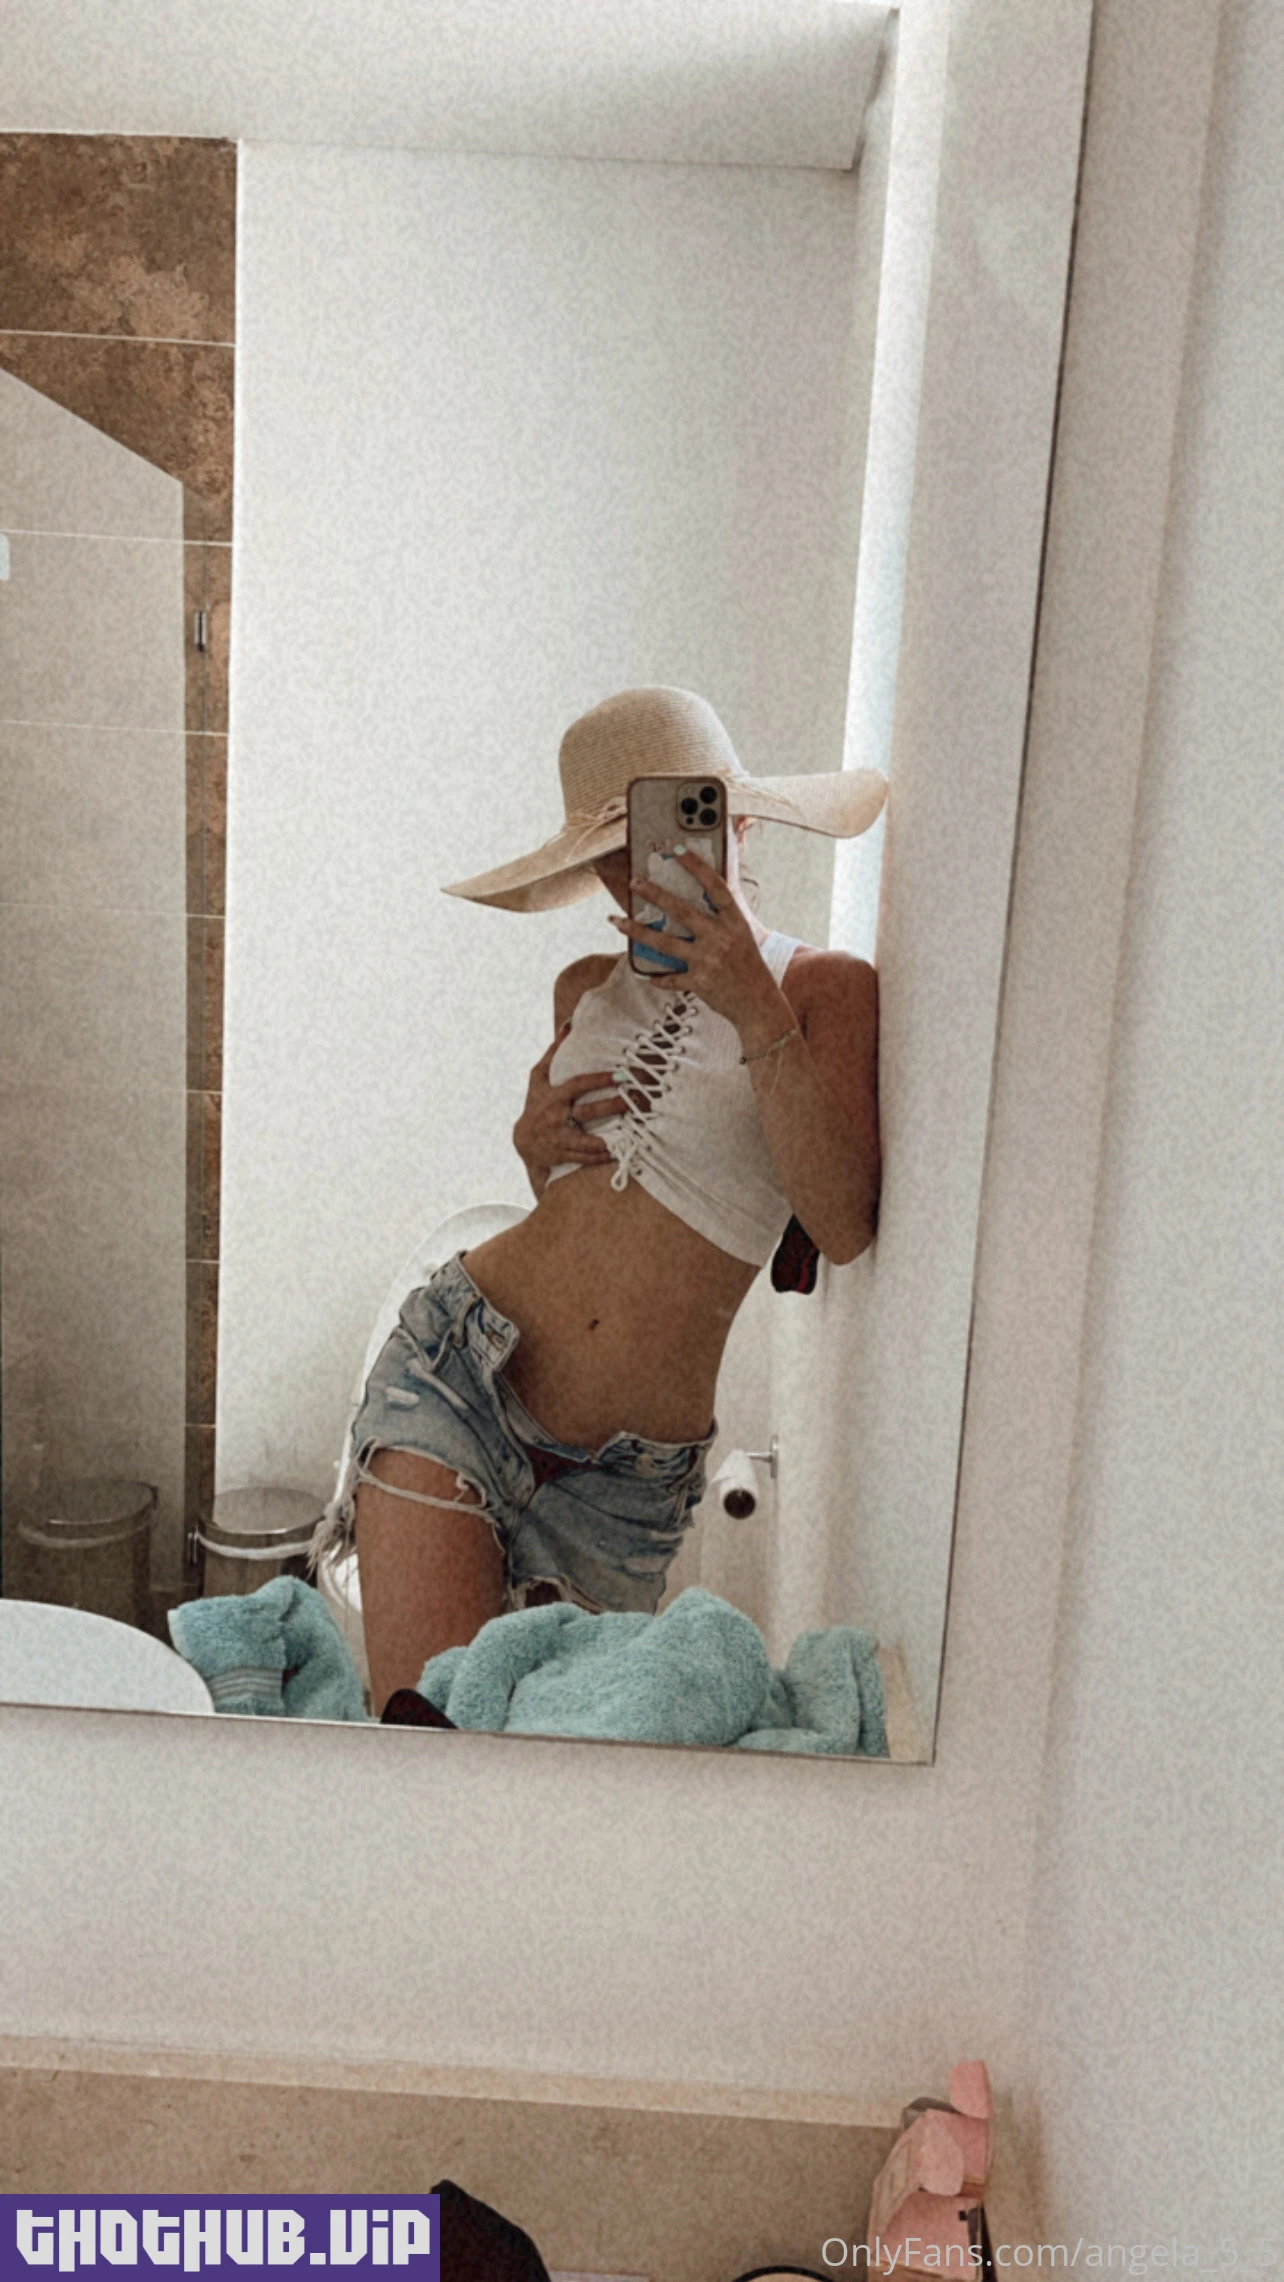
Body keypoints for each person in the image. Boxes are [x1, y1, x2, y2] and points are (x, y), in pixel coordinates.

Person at [317, 687, 886, 1714]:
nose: (640, 870)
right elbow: (579, 1205)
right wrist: (532, 1148)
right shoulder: (582, 988)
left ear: (734, 824)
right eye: (613, 851)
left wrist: (749, 998)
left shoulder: (825, 990)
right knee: (430, 1736)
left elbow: (843, 1221)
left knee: (541, 1768)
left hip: (624, 1483)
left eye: (665, 832)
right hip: (460, 1372)